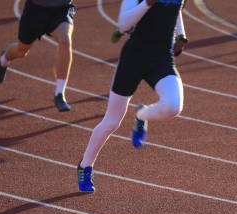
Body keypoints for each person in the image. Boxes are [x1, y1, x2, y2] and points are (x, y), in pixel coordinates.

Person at [76, 0, 188, 192]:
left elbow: (177, 8)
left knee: (173, 106)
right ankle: (85, 165)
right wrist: (147, 3)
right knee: (111, 122)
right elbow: (123, 25)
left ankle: (141, 115)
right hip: (134, 58)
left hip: (162, 58)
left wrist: (180, 35)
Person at [0, 0, 76, 112]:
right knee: (21, 50)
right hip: (36, 10)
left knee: (65, 40)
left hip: (62, 9)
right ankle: (5, 58)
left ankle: (59, 94)